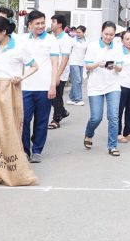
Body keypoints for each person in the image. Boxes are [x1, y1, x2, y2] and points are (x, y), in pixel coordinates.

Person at [20, 11, 60, 160]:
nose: (41, 26)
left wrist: (52, 85)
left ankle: (37, 150)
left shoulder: (51, 40)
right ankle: (25, 150)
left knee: (42, 120)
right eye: (37, 23)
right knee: (24, 119)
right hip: (25, 87)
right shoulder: (23, 40)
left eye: (43, 23)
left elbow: (55, 63)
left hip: (44, 87)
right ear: (29, 25)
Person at [83, 21, 124, 156]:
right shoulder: (93, 46)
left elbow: (120, 67)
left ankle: (112, 146)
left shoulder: (118, 47)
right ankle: (89, 133)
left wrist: (113, 66)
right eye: (106, 34)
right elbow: (88, 66)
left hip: (113, 85)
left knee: (113, 116)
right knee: (96, 117)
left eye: (111, 35)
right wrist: (97, 64)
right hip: (95, 86)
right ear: (101, 32)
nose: (108, 37)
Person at [0, 16, 37, 86]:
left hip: (12, 87)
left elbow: (35, 66)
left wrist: (21, 77)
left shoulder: (19, 47)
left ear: (4, 32)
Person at [49, 14, 73, 127]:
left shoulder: (66, 39)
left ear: (59, 24)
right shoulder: (51, 37)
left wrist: (57, 75)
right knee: (52, 95)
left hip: (61, 72)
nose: (51, 24)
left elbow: (65, 58)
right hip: (50, 70)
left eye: (53, 21)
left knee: (56, 96)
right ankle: (62, 111)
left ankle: (56, 119)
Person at [68, 25, 87, 105]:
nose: (78, 34)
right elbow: (68, 51)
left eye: (79, 32)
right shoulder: (73, 40)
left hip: (81, 63)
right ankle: (78, 99)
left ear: (84, 32)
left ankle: (72, 98)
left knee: (79, 81)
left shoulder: (87, 41)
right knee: (78, 80)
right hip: (73, 62)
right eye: (77, 32)